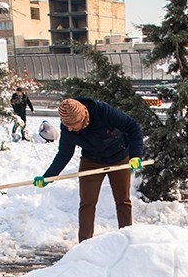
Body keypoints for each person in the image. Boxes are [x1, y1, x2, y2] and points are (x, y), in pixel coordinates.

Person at [33, 97, 144, 242]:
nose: (70, 129)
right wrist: (48, 177)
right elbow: (64, 153)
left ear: (83, 117)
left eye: (73, 125)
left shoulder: (104, 112)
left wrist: (135, 155)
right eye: (67, 126)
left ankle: (127, 240)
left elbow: (133, 127)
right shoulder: (68, 127)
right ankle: (84, 244)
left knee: (122, 200)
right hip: (91, 160)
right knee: (87, 202)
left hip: (119, 156)